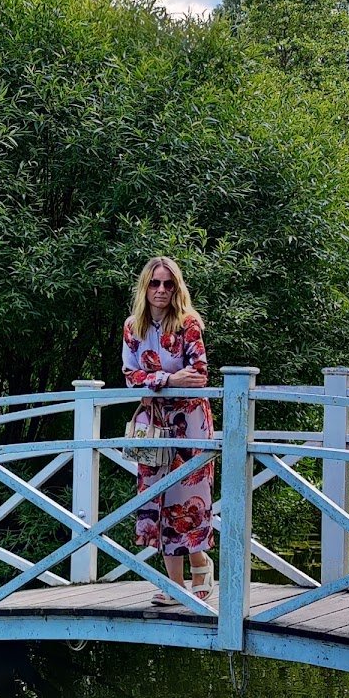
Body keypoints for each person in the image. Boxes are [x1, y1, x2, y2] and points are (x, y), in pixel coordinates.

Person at [121, 255, 215, 605]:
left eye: (168, 284)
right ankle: (175, 585)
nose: (161, 290)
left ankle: (199, 561)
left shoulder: (188, 324)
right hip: (153, 423)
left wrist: (158, 382)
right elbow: (131, 377)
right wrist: (169, 379)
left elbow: (200, 373)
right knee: (156, 498)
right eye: (155, 283)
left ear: (177, 288)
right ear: (145, 287)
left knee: (187, 500)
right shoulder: (133, 327)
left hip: (190, 423)